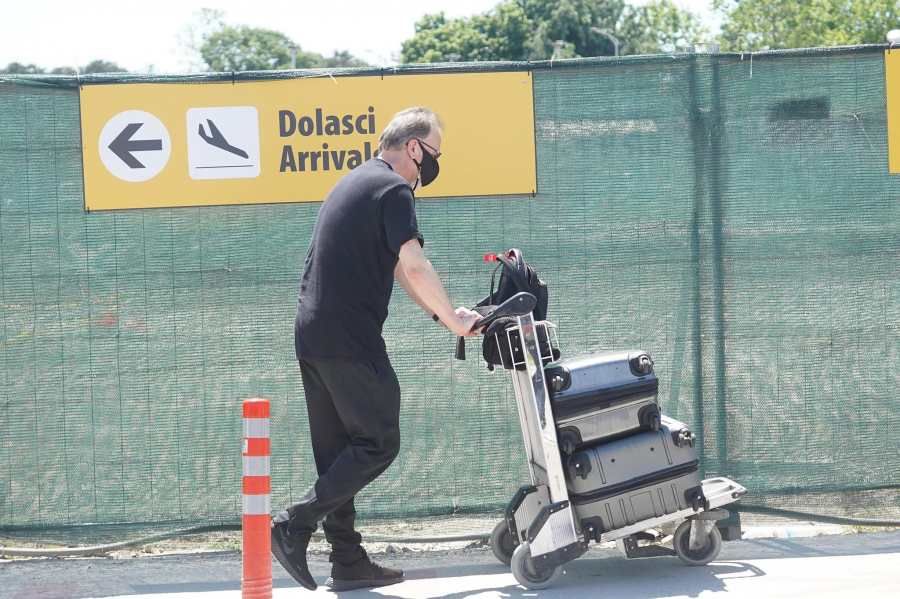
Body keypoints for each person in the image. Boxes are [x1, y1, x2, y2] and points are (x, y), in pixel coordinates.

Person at [271, 106, 482, 592]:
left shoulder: (358, 181)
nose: (433, 164)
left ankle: (347, 561)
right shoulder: (393, 188)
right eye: (433, 153)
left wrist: (442, 317)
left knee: (338, 453)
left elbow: (395, 268)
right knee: (378, 440)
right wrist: (455, 320)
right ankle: (291, 524)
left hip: (313, 333)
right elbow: (413, 262)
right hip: (349, 338)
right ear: (413, 148)